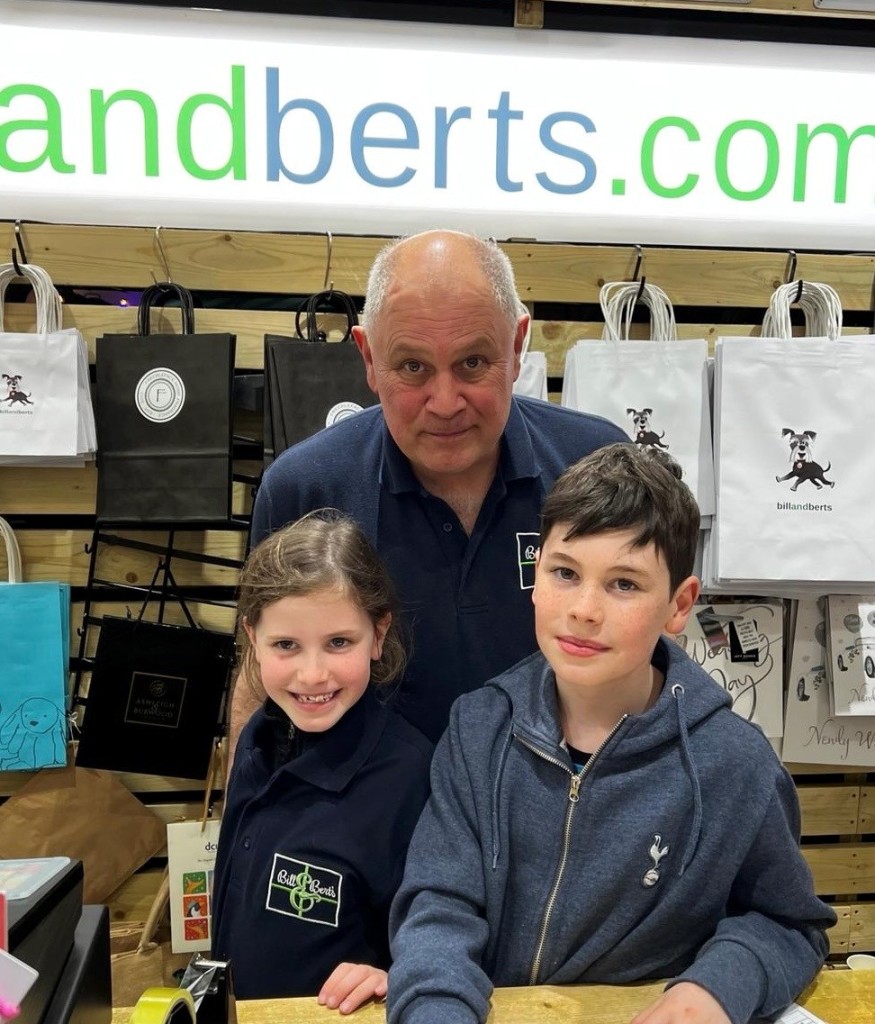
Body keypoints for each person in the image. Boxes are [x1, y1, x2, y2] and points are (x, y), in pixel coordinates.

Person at [387, 444, 835, 1024]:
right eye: (565, 573)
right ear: (536, 569)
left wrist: (716, 988)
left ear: (679, 605)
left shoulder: (736, 763)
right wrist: (434, 1009)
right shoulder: (478, 727)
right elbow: (439, 906)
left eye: (624, 584)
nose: (584, 609)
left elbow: (789, 924)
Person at [231, 229, 627, 748]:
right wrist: (241, 821)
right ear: (369, 357)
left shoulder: (597, 464)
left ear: (516, 345)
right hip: (365, 823)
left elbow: (648, 654)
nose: (444, 402)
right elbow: (259, 677)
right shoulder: (302, 488)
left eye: (472, 363)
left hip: (562, 815)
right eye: (413, 367)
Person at [211, 510, 433, 1012]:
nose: (312, 674)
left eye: (338, 643)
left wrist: (392, 975)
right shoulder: (253, 741)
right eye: (286, 645)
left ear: (378, 635)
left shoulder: (410, 778)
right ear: (252, 638)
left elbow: (436, 929)